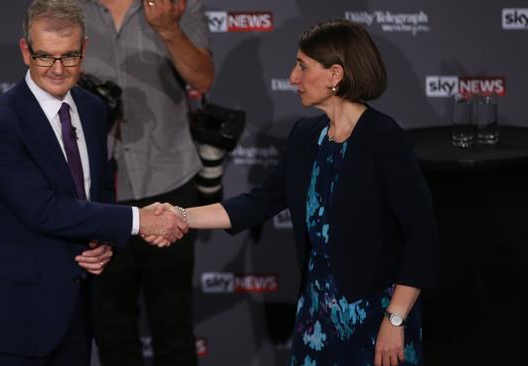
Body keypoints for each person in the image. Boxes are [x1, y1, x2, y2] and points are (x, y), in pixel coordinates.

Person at [131, 19, 440, 366]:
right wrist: (181, 215)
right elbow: (258, 202)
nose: (293, 78)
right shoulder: (306, 136)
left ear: (335, 75)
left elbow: (421, 237)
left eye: (302, 66)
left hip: (376, 315)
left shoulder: (384, 139)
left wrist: (394, 319)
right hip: (316, 315)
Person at [0, 0, 186, 365]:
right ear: (25, 51)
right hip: (14, 321)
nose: (57, 69)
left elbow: (96, 191)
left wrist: (103, 242)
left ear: (84, 50)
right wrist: (137, 221)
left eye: (68, 56)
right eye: (45, 57)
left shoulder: (91, 108)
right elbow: (43, 210)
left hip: (76, 314)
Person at [76, 0, 214, 365]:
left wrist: (169, 29)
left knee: (174, 329)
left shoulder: (177, 4)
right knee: (112, 332)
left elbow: (202, 77)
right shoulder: (67, 6)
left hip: (169, 181)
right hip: (95, 188)